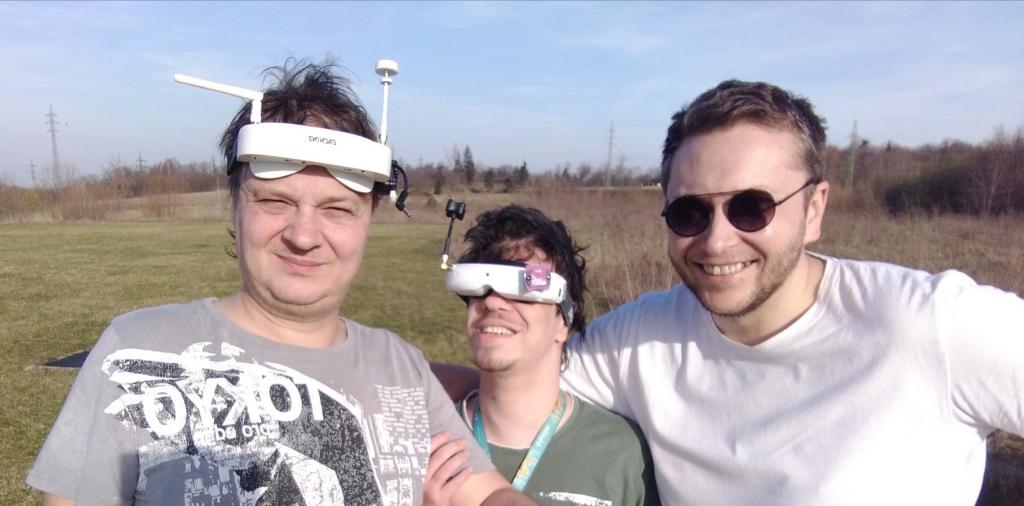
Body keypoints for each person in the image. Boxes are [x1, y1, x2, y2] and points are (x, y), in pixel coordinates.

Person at [27, 59, 529, 506]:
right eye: (275, 201)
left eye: (337, 209)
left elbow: (488, 494)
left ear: (368, 219)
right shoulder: (134, 350)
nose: (304, 235)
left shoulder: (402, 368)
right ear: (235, 205)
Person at [557, 79, 1024, 504]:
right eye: (690, 213)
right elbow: (522, 382)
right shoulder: (639, 341)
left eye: (751, 207)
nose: (717, 241)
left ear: (813, 208)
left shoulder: (933, 325)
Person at [426, 205, 659, 506]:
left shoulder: (622, 455)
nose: (493, 302)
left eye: (522, 289)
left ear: (564, 322)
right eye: (480, 287)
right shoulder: (428, 441)